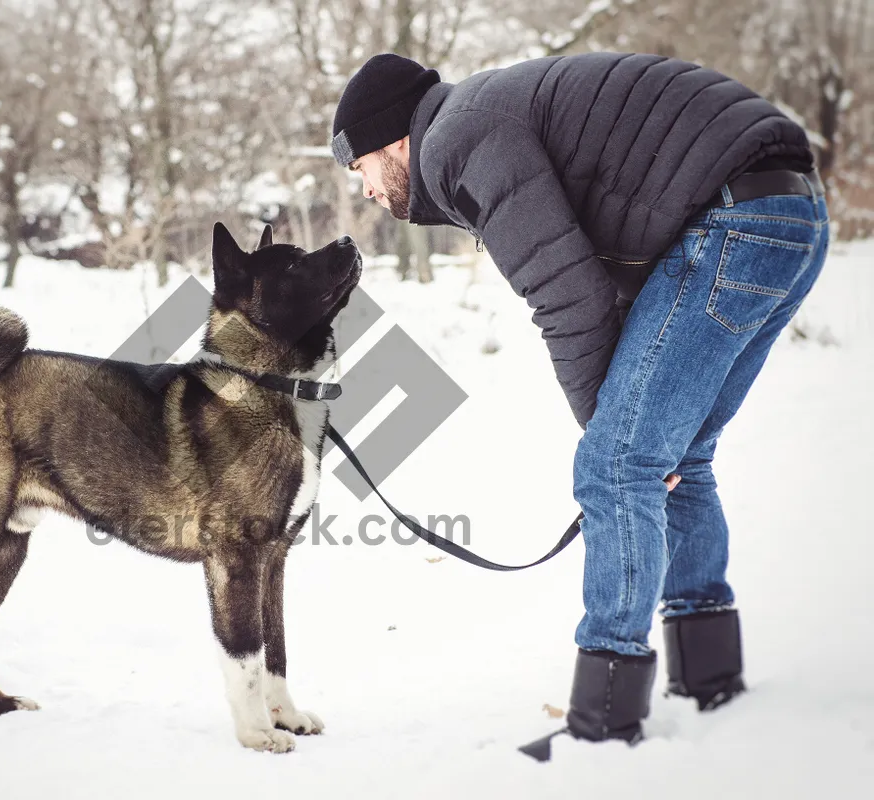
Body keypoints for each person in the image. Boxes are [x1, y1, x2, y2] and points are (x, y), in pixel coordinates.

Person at [330, 52, 828, 760]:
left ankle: (604, 724)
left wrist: (613, 433)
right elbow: (607, 266)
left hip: (736, 218)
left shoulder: (456, 140)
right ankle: (708, 677)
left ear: (395, 141)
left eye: (362, 168)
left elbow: (567, 297)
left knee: (620, 463)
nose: (367, 190)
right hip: (792, 211)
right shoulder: (480, 117)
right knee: (674, 455)